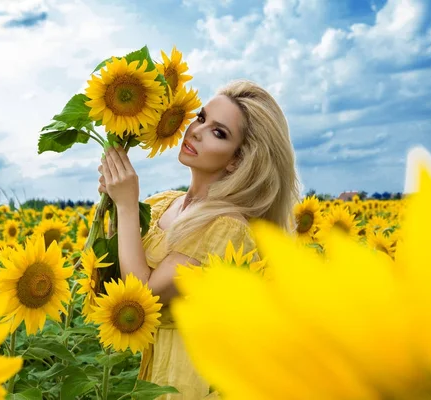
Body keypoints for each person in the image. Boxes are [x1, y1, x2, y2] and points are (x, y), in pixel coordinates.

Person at [98, 79, 300, 399]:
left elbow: (140, 298)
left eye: (218, 133)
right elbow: (111, 278)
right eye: (201, 118)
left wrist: (125, 205)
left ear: (237, 159)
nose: (195, 131)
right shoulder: (162, 203)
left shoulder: (226, 227)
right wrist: (111, 203)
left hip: (185, 379)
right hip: (146, 373)